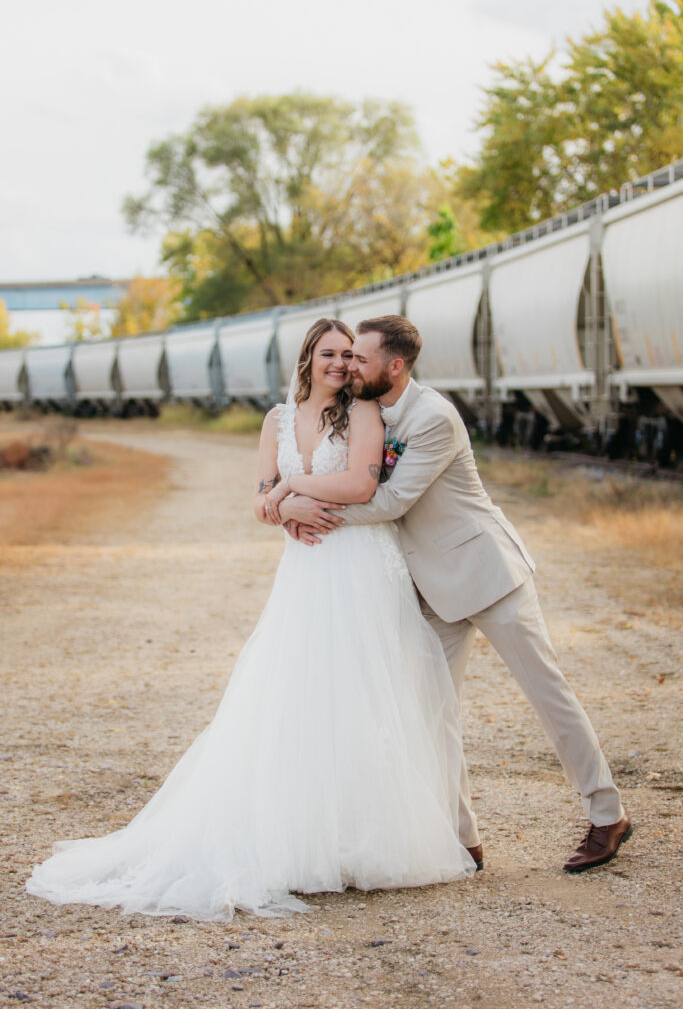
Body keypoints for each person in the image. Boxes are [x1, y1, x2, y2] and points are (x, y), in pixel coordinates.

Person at [26, 318, 476, 922]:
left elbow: (360, 483)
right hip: (307, 566)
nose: (340, 364)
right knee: (297, 691)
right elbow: (260, 497)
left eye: (349, 355)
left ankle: (365, 836)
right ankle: (301, 834)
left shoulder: (364, 413)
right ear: (308, 359)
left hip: (363, 563)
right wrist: (282, 507)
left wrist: (291, 488)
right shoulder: (276, 421)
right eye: (329, 353)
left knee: (366, 689)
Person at [271, 315, 632, 874]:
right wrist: (286, 503)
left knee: (548, 695)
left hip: (486, 574)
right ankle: (463, 839)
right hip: (431, 588)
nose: (350, 367)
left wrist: (302, 506)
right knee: (433, 711)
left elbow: (391, 502)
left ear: (394, 366)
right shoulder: (368, 412)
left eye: (361, 359)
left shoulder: (434, 417)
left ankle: (608, 815)